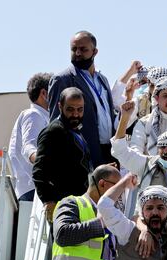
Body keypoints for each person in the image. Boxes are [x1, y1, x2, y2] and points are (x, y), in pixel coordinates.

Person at [47, 30, 117, 167]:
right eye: (74, 49)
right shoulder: (62, 80)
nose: (77, 53)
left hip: (109, 152)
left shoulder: (103, 80)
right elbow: (55, 125)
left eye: (83, 49)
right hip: (82, 157)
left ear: (95, 52)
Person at [98, 176, 167, 260]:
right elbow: (104, 205)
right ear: (142, 212)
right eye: (149, 208)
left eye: (160, 208)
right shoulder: (129, 231)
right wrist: (124, 183)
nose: (155, 212)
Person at [47, 164, 121, 260]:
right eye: (118, 187)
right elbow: (62, 234)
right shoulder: (71, 203)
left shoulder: (111, 215)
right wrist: (100, 224)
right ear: (102, 184)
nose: (120, 194)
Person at [33, 87, 92, 221]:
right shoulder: (53, 132)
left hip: (81, 205)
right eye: (70, 109)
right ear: (60, 106)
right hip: (64, 208)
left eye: (80, 109)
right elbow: (38, 171)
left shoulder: (76, 131)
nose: (76, 114)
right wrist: (48, 201)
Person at [8, 72, 52, 201]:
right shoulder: (34, 115)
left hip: (34, 188)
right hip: (33, 189)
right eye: (55, 91)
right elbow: (28, 147)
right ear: (44, 94)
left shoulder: (42, 116)